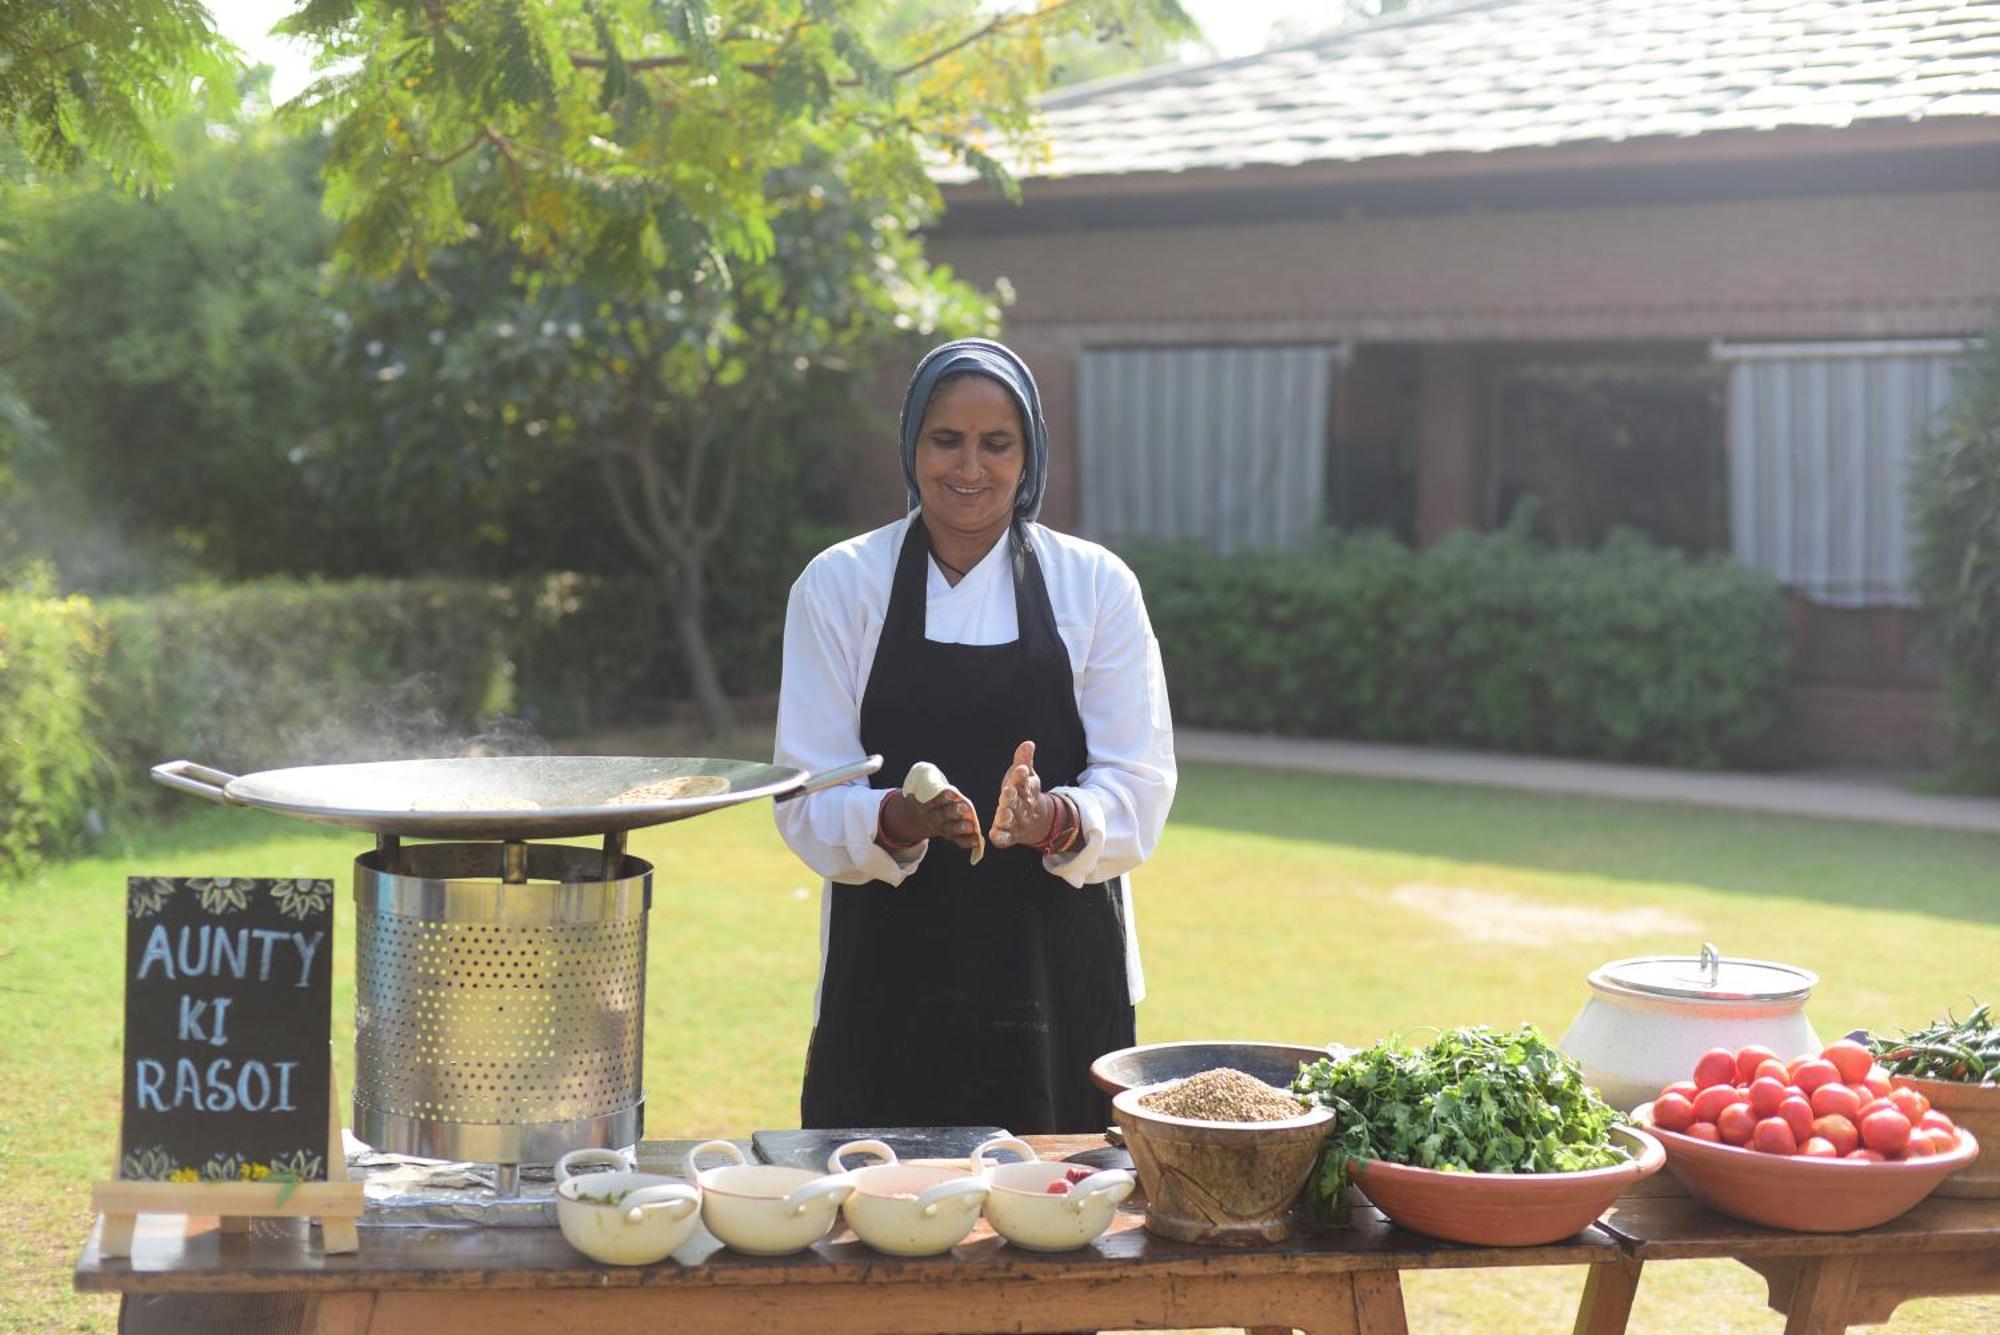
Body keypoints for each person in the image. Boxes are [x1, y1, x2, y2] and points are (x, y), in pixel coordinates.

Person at [772, 337, 1177, 1135]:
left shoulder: (1096, 585)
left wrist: (1051, 819)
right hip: (885, 974)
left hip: (1059, 978)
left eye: (997, 444)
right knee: (877, 1225)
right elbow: (806, 798)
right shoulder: (839, 584)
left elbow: (1141, 787)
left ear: (1030, 456)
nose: (970, 467)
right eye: (945, 439)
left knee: (1059, 1216)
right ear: (911, 445)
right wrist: (899, 817)